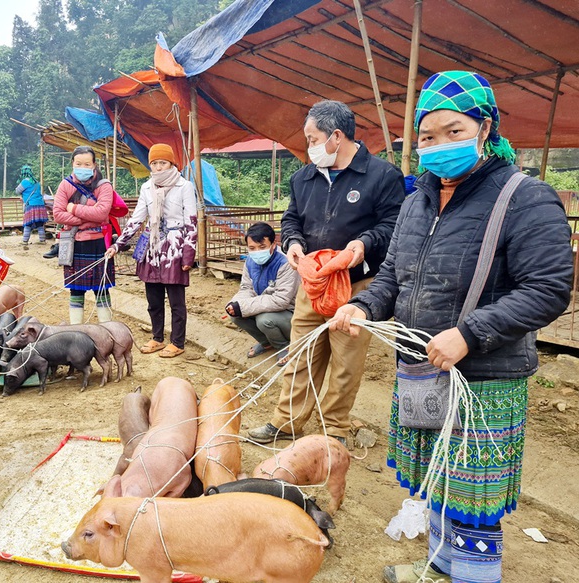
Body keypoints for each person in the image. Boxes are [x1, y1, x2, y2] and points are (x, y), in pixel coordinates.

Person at [331, 71, 573, 583]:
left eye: (454, 131)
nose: (439, 145)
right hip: (421, 368)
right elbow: (393, 275)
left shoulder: (525, 197)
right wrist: (364, 307)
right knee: (436, 478)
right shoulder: (417, 199)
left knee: (471, 492)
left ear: (485, 129)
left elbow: (548, 288)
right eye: (428, 136)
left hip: (484, 376)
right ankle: (441, 564)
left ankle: (474, 576)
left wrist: (470, 333)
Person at [248, 100, 405, 446]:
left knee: (346, 362)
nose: (309, 146)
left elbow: (394, 224)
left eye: (312, 138)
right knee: (301, 352)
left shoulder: (381, 176)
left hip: (357, 284)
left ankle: (334, 429)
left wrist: (363, 243)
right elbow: (292, 218)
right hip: (314, 281)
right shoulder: (303, 178)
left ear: (336, 136)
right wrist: (292, 241)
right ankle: (286, 422)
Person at [105, 143, 197, 358]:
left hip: (174, 245)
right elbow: (137, 218)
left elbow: (191, 222)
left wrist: (188, 254)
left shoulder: (184, 186)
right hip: (152, 246)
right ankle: (157, 337)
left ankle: (177, 341)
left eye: (162, 163)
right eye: (154, 163)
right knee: (153, 298)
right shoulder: (147, 187)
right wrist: (118, 244)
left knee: (176, 299)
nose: (158, 167)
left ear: (172, 163)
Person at [54, 146, 116, 323]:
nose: (82, 167)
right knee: (76, 289)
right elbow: (58, 214)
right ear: (72, 163)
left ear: (94, 165)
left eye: (87, 164)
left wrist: (73, 208)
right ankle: (77, 330)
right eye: (78, 163)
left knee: (102, 288)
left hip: (99, 243)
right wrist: (88, 217)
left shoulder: (104, 186)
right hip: (75, 243)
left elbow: (102, 213)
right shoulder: (65, 185)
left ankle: (107, 328)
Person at [225, 222, 299, 365]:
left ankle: (283, 346)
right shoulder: (250, 261)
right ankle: (266, 342)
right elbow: (246, 288)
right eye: (252, 248)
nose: (257, 251)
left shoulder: (285, 262)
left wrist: (244, 307)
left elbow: (281, 300)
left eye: (262, 247)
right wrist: (236, 304)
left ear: (273, 244)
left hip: (290, 311)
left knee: (264, 320)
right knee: (235, 315)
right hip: (266, 306)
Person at [16, 165, 49, 248]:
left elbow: (17, 190)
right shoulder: (36, 182)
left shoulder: (25, 181)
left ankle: (24, 241)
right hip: (40, 205)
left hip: (31, 205)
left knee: (28, 223)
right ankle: (42, 240)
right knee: (39, 223)